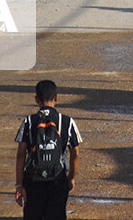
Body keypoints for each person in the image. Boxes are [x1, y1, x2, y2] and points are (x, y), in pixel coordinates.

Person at [15, 79, 82, 217]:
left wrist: (19, 185)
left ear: (36, 99)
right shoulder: (67, 122)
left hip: (33, 181)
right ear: (56, 98)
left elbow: (21, 155)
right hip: (57, 180)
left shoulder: (28, 122)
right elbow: (75, 153)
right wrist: (71, 178)